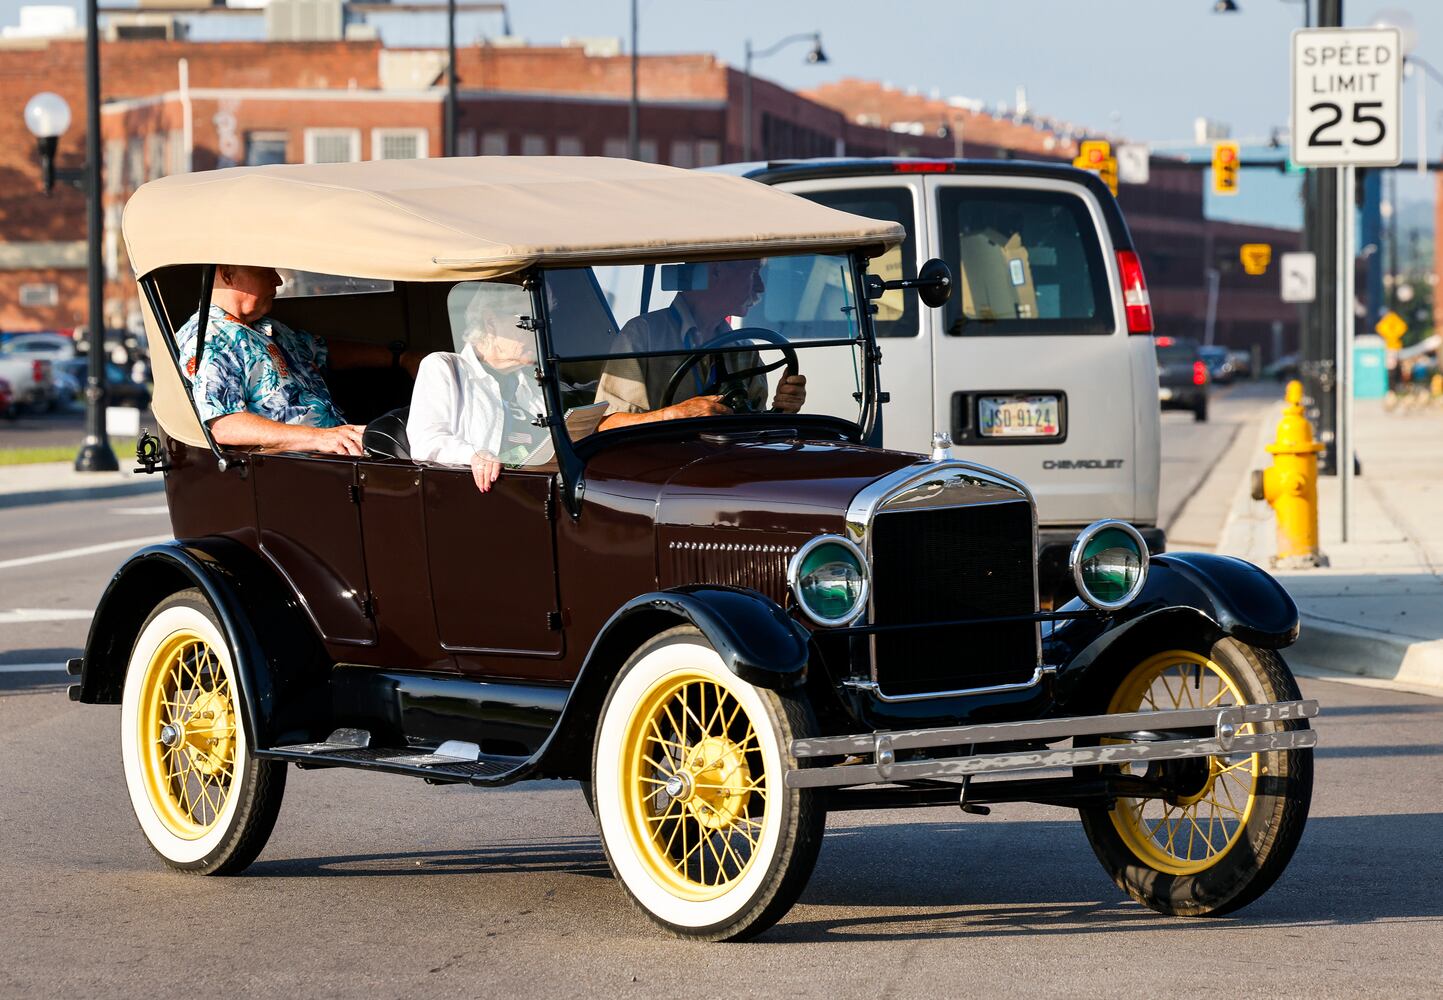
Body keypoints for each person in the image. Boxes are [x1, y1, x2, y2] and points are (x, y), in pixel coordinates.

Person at [176, 264, 418, 455]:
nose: (278, 280)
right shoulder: (210, 338)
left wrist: (401, 358)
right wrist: (320, 438)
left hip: (337, 448)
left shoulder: (270, 329)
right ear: (227, 274)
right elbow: (225, 424)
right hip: (294, 466)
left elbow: (323, 350)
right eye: (265, 271)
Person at [593, 259, 806, 430]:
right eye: (753, 272)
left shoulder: (743, 349)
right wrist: (673, 415)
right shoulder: (643, 335)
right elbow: (605, 425)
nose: (760, 287)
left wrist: (782, 409)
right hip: (660, 473)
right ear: (716, 271)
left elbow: (753, 429)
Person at [408, 290, 546, 494]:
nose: (538, 330)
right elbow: (426, 442)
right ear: (491, 321)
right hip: (479, 497)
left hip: (537, 493)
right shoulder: (445, 367)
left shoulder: (534, 383)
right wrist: (475, 455)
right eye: (529, 319)